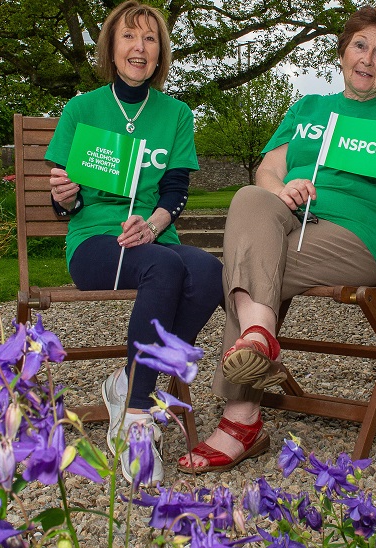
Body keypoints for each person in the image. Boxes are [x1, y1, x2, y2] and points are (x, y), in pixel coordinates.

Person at [177, 4, 376, 473]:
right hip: (290, 217)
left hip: (354, 236)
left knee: (245, 270)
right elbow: (268, 169)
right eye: (360, 45)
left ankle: (241, 418)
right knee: (251, 197)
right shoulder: (307, 108)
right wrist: (281, 188)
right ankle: (259, 336)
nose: (367, 58)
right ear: (342, 51)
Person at [46, 0, 223, 484]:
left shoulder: (176, 113)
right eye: (129, 37)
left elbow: (175, 190)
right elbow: (65, 201)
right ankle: (139, 418)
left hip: (152, 234)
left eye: (149, 39)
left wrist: (155, 223)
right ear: (111, 46)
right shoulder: (82, 108)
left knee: (210, 272)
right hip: (94, 240)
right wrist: (65, 197)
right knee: (164, 269)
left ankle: (128, 379)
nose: (138, 48)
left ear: (160, 51)